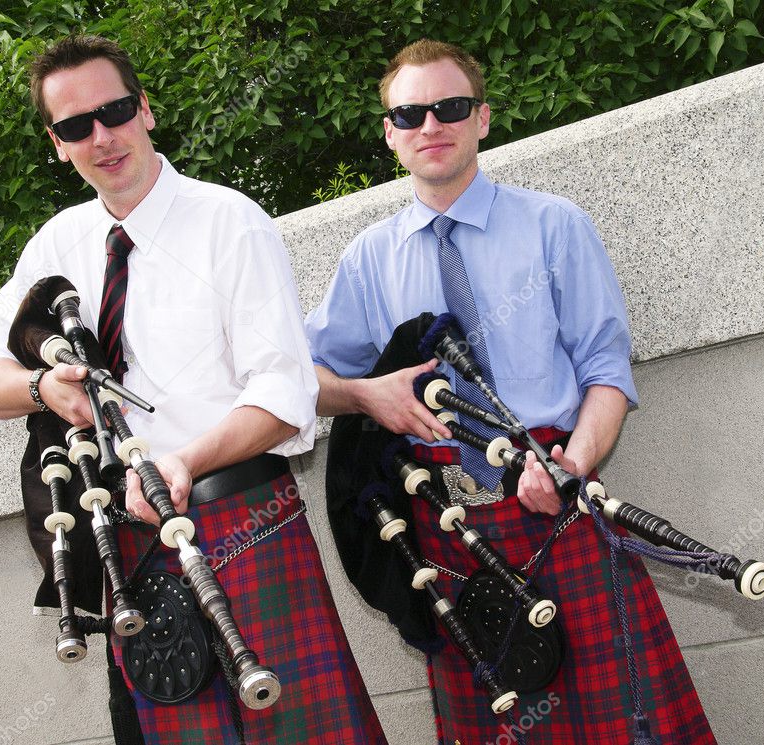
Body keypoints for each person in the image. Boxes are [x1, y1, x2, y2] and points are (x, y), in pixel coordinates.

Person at [0, 34, 386, 745]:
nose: (101, 136)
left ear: (146, 109)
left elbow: (284, 395)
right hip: (134, 548)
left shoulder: (229, 222)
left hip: (244, 520)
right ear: (57, 144)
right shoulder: (57, 243)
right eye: (75, 126)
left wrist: (185, 460)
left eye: (115, 110)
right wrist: (46, 387)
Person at [306, 39, 716, 744]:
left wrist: (573, 461)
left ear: (483, 118)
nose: (430, 125)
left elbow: (606, 372)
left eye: (450, 107)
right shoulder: (369, 259)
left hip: (556, 503)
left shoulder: (554, 225)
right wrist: (369, 396)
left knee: (626, 725)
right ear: (389, 134)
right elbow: (307, 379)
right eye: (409, 114)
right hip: (446, 531)